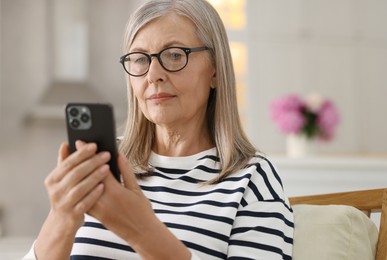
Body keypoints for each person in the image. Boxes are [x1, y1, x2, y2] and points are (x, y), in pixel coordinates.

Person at [24, 0, 294, 259]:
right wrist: (61, 218)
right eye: (140, 59)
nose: (153, 75)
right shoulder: (103, 164)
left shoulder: (252, 179)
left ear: (215, 70)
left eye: (174, 55)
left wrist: (141, 230)